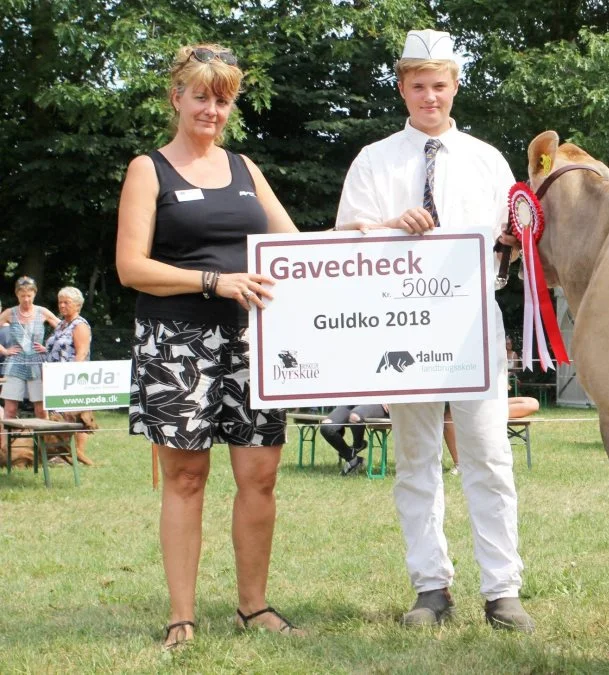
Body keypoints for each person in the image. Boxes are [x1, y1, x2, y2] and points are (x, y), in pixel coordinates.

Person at [335, 29, 532, 632]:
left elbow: (514, 244)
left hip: (471, 325)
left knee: (489, 455)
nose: (429, 97)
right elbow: (343, 244)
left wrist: (508, 245)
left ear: (454, 86)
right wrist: (392, 226)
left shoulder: (487, 160)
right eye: (418, 86)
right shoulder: (374, 160)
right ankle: (431, 588)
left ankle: (502, 591)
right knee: (415, 458)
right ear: (401, 88)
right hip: (399, 331)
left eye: (439, 85)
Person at [115, 43, 303, 651]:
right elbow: (130, 267)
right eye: (202, 96)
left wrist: (369, 232)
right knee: (187, 479)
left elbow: (298, 245)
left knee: (260, 475)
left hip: (253, 340)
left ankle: (254, 606)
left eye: (223, 100)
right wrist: (213, 281)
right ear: (177, 97)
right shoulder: (149, 169)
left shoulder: (247, 169)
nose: (213, 110)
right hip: (175, 341)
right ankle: (182, 616)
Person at [44, 286, 96, 465]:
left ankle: (79, 455)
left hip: (73, 379)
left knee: (75, 416)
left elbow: (81, 354)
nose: (62, 305)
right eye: (60, 302)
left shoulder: (79, 325)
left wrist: (71, 378)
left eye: (67, 302)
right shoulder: (61, 324)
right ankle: (63, 453)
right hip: (55, 378)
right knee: (59, 417)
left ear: (78, 305)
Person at [0, 276, 60, 423]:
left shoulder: (42, 312)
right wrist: (5, 351)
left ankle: (43, 443)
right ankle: (7, 445)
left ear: (35, 293)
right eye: (22, 296)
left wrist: (48, 348)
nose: (26, 299)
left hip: (37, 364)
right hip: (15, 363)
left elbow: (64, 329)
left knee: (40, 409)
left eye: (29, 295)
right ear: (17, 295)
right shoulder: (9, 313)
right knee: (10, 409)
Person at [319, 403, 388, 475]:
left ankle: (358, 445)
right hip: (351, 400)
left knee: (354, 417)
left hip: (379, 402)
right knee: (326, 426)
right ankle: (353, 459)